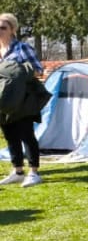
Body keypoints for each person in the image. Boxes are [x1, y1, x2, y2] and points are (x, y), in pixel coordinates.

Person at [0, 13, 45, 187]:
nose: (0, 31)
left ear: (12, 30)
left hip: (23, 98)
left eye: (3, 27)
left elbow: (38, 70)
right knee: (10, 135)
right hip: (3, 100)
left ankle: (34, 172)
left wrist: (16, 72)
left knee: (26, 134)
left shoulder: (22, 48)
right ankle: (18, 171)